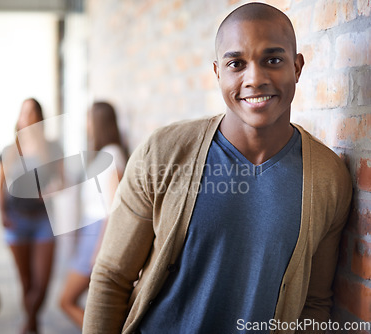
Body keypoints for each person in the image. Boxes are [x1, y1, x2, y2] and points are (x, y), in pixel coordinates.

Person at [83, 3, 353, 334]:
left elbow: (314, 302)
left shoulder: (328, 178)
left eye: (273, 60)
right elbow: (111, 275)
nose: (254, 79)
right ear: (217, 73)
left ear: (297, 67)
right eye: (236, 64)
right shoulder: (164, 153)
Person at [60, 101, 127, 328]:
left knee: (66, 300)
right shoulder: (103, 154)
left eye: (89, 119)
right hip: (91, 231)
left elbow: (113, 209)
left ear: (99, 122)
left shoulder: (112, 154)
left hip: (98, 233)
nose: (86, 124)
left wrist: (99, 250)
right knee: (92, 304)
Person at [0, 98, 56, 334]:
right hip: (17, 220)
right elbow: (0, 186)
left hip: (44, 221)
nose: (29, 116)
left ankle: (29, 324)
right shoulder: (9, 151)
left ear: (40, 118)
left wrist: (49, 192)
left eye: (33, 112)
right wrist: (1, 212)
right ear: (19, 118)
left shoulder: (52, 147)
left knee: (41, 284)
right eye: (25, 112)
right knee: (26, 282)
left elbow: (63, 181)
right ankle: (33, 326)